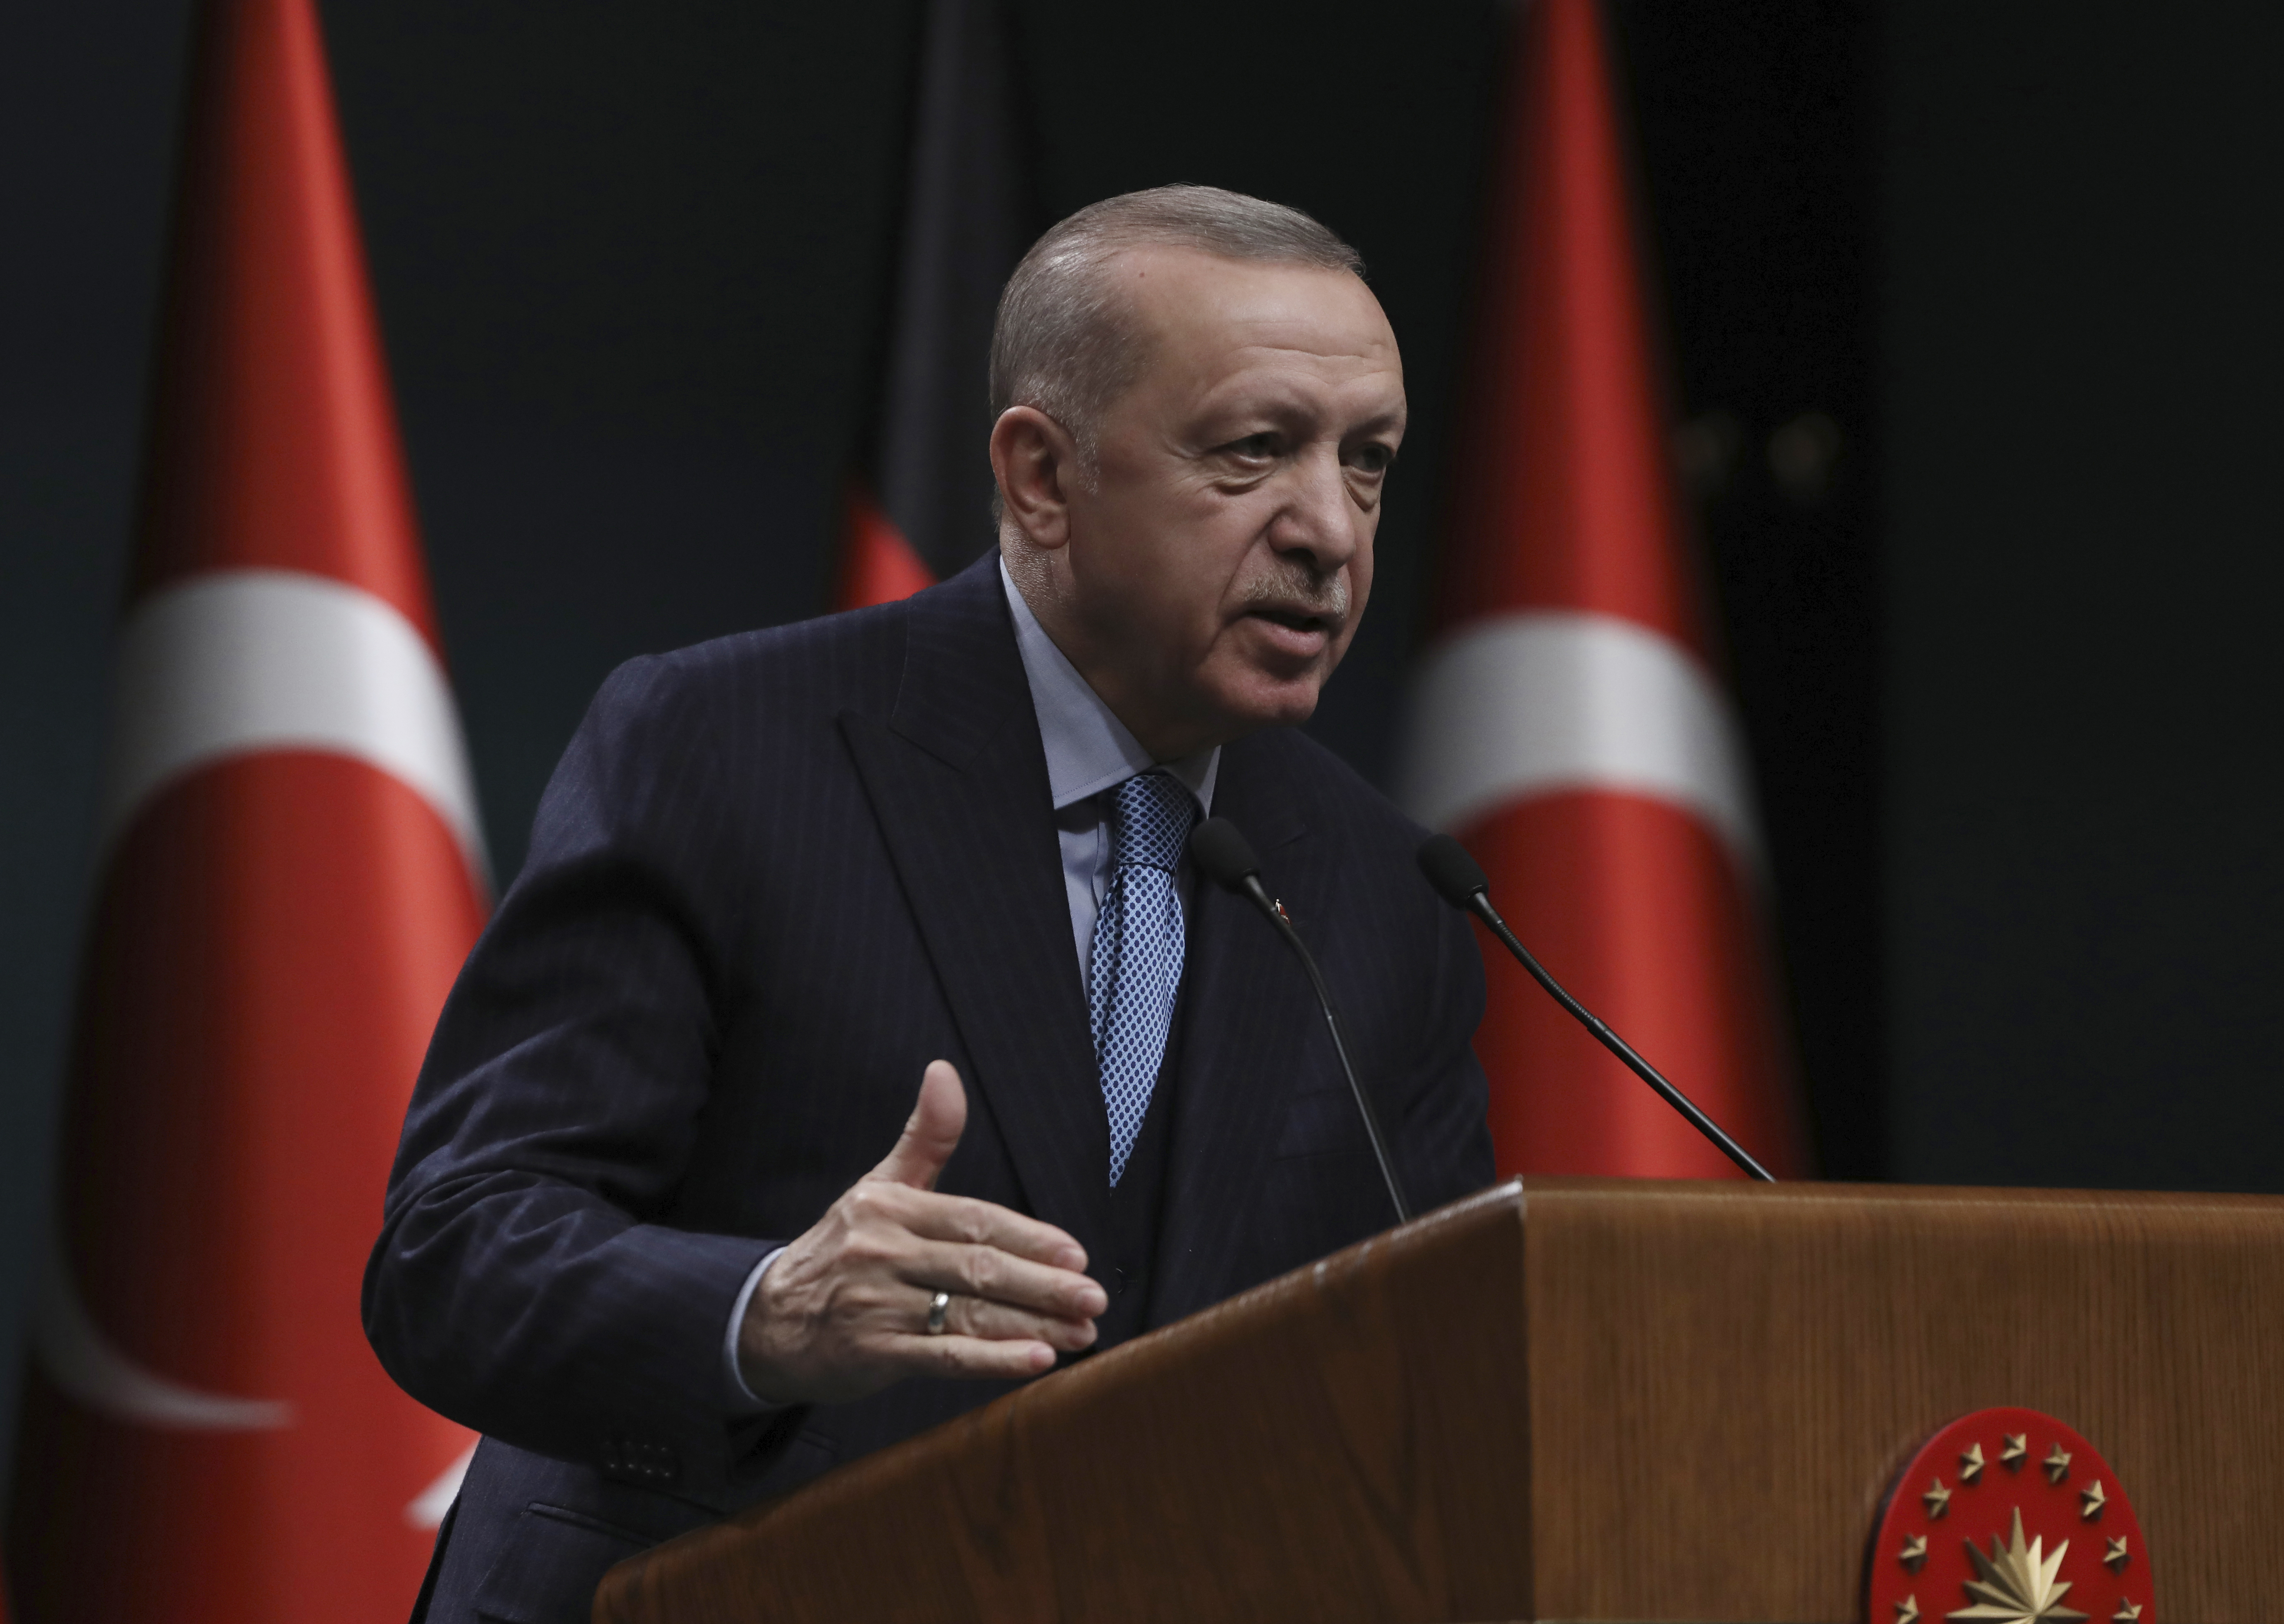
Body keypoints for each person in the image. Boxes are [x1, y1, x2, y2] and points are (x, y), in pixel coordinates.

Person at [365, 184, 1493, 1622]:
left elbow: (1451, 1372)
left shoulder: (1384, 890)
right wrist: (762, 1312)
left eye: (1371, 463)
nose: (1331, 530)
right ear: (1040, 477)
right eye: (1255, 451)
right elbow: (450, 1254)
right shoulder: (725, 746)